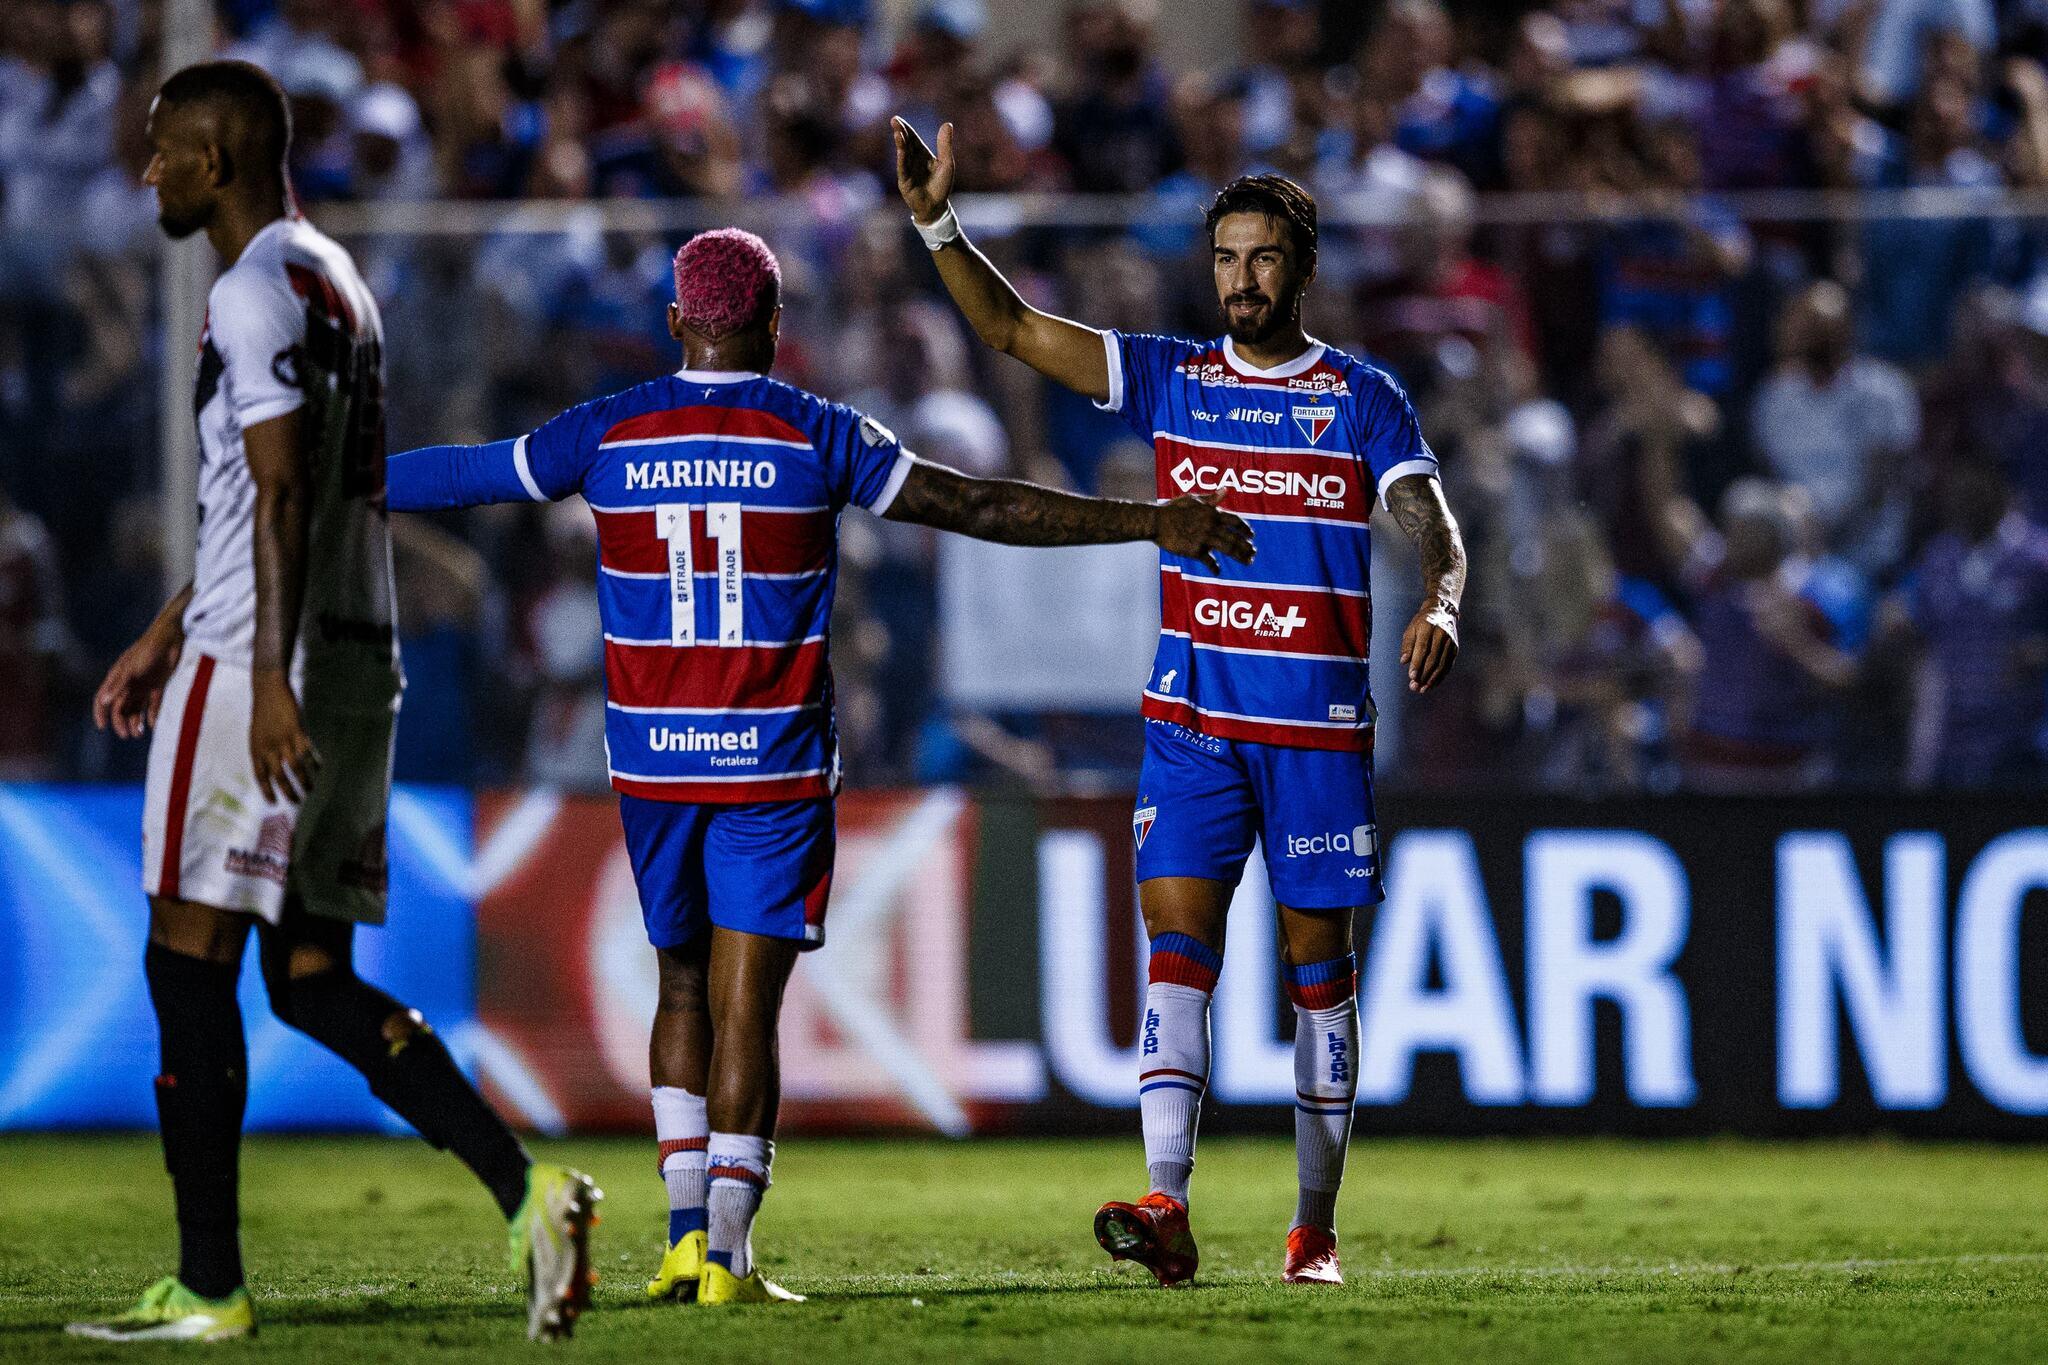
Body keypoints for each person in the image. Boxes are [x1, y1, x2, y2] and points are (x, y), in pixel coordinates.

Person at [382, 226, 1253, 1306]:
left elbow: (471, 476)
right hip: (772, 760)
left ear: (674, 325)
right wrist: (1149, 521)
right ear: (774, 326)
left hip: (654, 761)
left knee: (680, 986)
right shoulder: (816, 431)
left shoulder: (607, 429)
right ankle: (731, 1264)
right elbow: (978, 505)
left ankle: (682, 1241)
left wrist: (346, 481)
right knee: (748, 1008)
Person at [71, 62, 596, 1346]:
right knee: (307, 980)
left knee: (185, 968)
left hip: (268, 665)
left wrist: (251, 675)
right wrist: (161, 627)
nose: (151, 173)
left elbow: (286, 492)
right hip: (359, 661)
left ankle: (209, 1288)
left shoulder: (249, 293)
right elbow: (269, 493)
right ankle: (531, 1198)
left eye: (165, 150)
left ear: (221, 154)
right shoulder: (336, 280)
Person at [895, 120, 1466, 1287]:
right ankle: (1165, 1204)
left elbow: (1427, 519)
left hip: (1313, 735)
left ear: (1301, 269)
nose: (1240, 282)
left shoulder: (1360, 398)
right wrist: (935, 224)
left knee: (1320, 977)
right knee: (1176, 956)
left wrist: (1444, 599)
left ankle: (1312, 1228)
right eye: (1223, 260)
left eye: (1261, 260)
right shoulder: (1169, 376)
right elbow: (1007, 329)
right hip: (1192, 726)